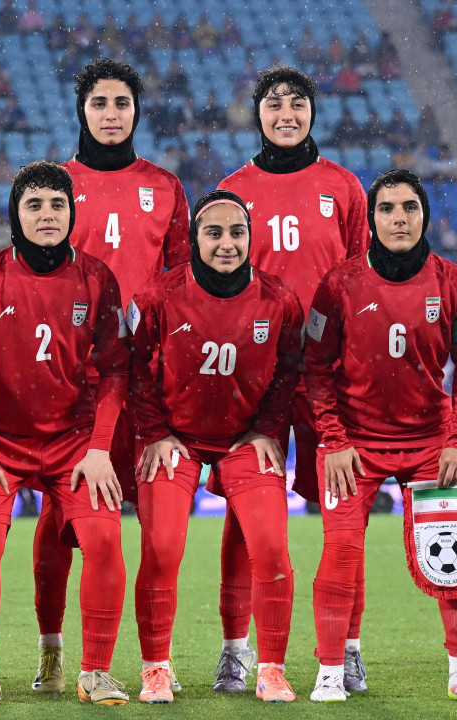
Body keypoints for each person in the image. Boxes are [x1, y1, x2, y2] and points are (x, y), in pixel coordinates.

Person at [31, 58, 190, 694]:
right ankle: (51, 651)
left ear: (136, 112)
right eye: (99, 103)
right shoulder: (57, 183)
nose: (110, 114)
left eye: (121, 103)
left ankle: (156, 658)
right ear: (82, 112)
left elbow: (183, 282)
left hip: (149, 377)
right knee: (58, 521)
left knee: (158, 524)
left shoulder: (166, 186)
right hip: (77, 379)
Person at [304, 169, 457, 702]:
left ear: (425, 215)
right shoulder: (338, 284)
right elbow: (315, 369)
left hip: (432, 441)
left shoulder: (454, 282)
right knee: (340, 552)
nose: (399, 218)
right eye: (387, 209)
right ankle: (331, 673)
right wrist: (334, 440)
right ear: (371, 218)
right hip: (353, 445)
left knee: (456, 552)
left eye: (409, 207)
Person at [213, 65, 370, 694]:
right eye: (274, 104)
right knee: (247, 513)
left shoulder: (344, 186)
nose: (286, 113)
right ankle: (235, 648)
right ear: (258, 114)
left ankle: (348, 647)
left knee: (345, 512)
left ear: (311, 113)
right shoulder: (233, 188)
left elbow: (366, 280)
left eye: (297, 103)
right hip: (258, 377)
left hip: (332, 374)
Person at [0, 161, 129, 706]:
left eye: (57, 205)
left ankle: (90, 670)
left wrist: (100, 448)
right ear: (15, 215)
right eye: (35, 205)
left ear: (72, 213)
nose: (47, 215)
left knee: (103, 540)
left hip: (74, 443)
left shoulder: (97, 279)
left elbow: (117, 369)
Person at [128, 189, 303, 704]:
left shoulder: (280, 300)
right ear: (193, 239)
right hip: (174, 439)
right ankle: (155, 667)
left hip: (243, 440)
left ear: (251, 238)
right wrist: (156, 431)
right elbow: (134, 367)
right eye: (214, 233)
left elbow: (291, 369)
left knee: (271, 547)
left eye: (237, 232)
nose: (227, 243)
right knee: (161, 548)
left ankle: (268, 666)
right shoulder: (157, 296)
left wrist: (268, 427)